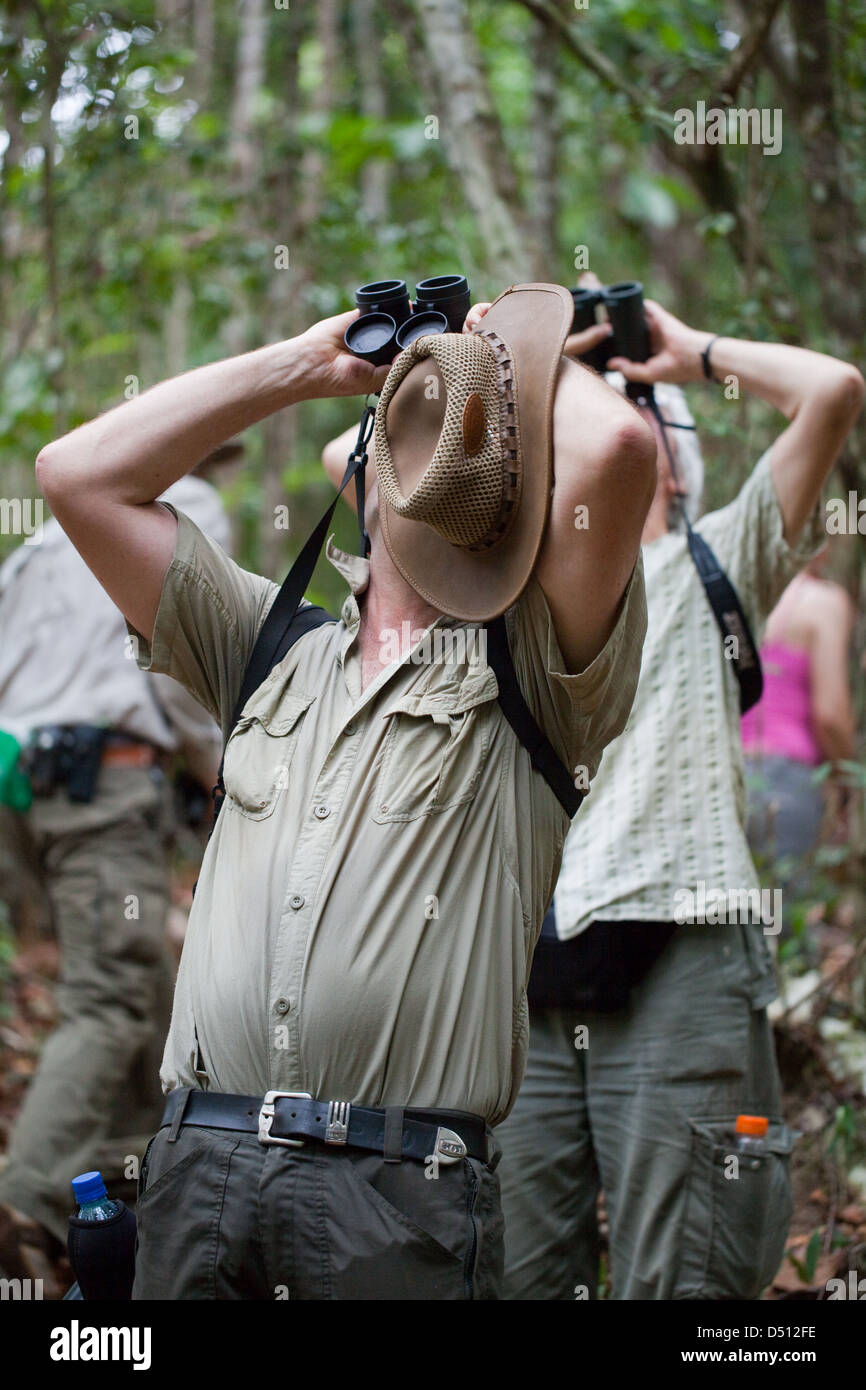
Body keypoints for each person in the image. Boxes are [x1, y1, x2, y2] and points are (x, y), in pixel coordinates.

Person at [33, 284, 654, 1299]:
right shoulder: (264, 647)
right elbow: (77, 476)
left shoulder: (533, 680)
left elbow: (620, 460)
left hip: (398, 1190)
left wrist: (504, 348)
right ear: (361, 473)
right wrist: (312, 364)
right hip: (199, 1167)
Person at [496, 272, 864, 1301]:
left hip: (681, 948)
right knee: (522, 1272)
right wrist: (511, 359)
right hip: (522, 967)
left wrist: (684, 350)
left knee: (688, 1278)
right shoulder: (496, 592)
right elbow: (362, 466)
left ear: (665, 455)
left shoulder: (718, 561)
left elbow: (830, 388)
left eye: (620, 400)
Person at [0, 473, 230, 1292]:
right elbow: (187, 648)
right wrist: (223, 769)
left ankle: (141, 1170)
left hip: (22, 781)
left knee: (143, 987)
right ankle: (24, 1199)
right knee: (111, 996)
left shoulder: (42, 535)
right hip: (102, 777)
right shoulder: (186, 505)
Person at [742, 555, 856, 909]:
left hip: (727, 778)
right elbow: (830, 715)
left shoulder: (737, 593)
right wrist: (848, 783)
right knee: (785, 924)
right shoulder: (823, 601)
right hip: (788, 783)